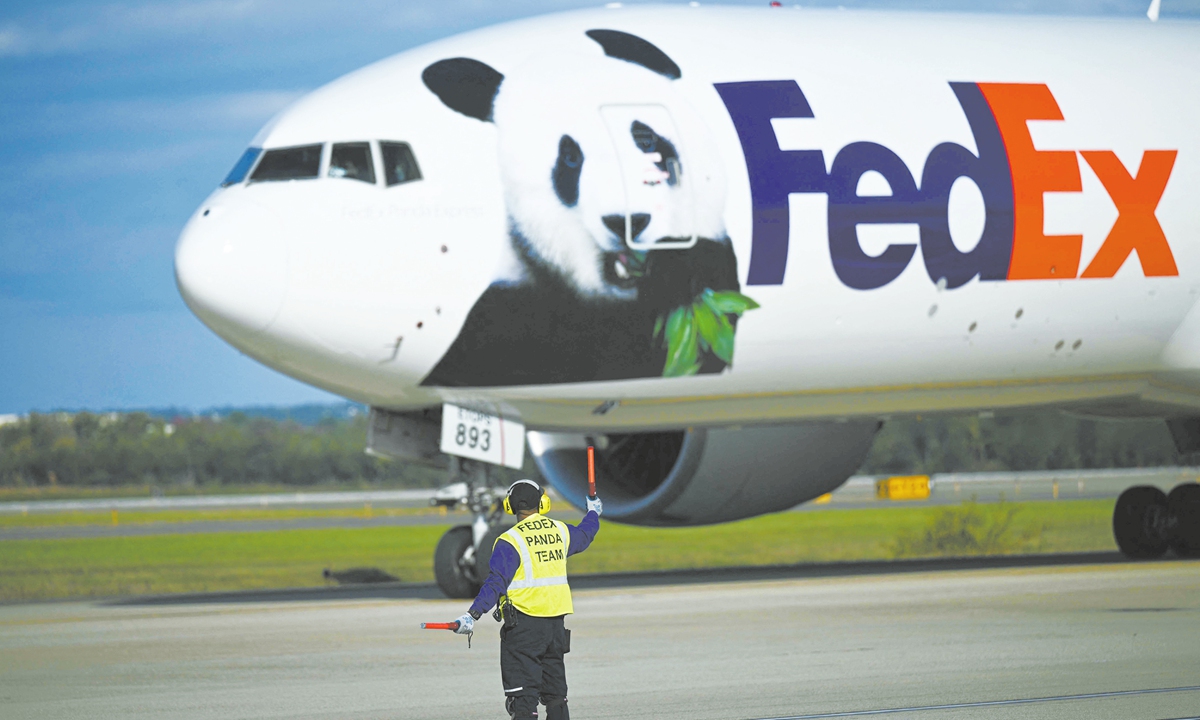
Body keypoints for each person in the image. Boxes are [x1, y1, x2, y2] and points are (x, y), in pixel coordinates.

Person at [454, 479, 602, 720]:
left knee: (524, 702)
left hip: (524, 629)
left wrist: (472, 615)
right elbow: (585, 534)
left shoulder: (510, 541)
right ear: (542, 503)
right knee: (556, 698)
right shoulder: (560, 531)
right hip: (555, 627)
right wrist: (593, 512)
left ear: (510, 507)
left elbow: (496, 582)